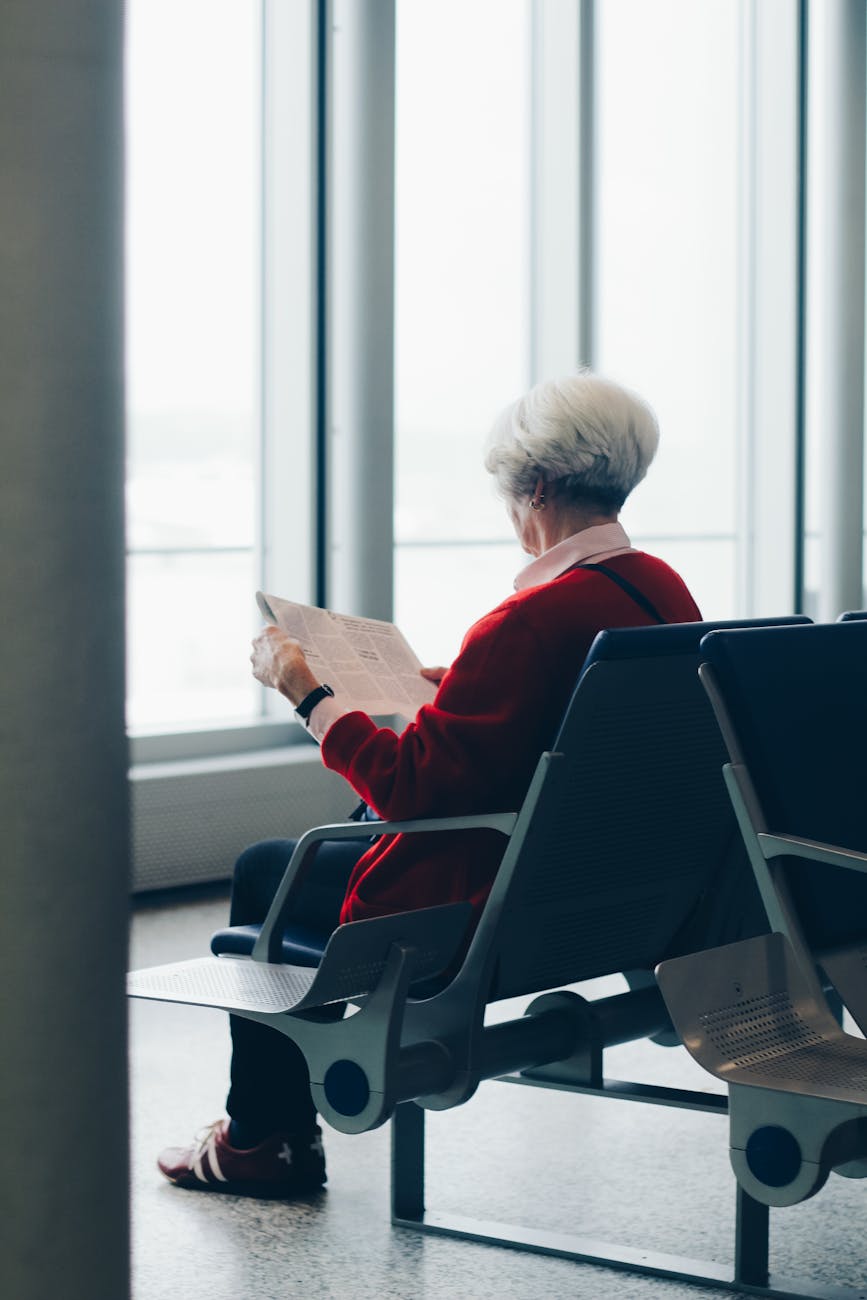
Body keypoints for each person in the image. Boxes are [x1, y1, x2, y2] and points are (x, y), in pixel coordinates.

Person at [157, 371, 702, 1197]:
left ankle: (261, 1138)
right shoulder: (660, 592)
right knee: (307, 855)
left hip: (485, 907)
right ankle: (262, 1131)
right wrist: (455, 688)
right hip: (607, 899)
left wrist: (307, 693)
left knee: (271, 871)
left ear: (540, 487)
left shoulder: (524, 622)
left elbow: (411, 789)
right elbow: (563, 715)